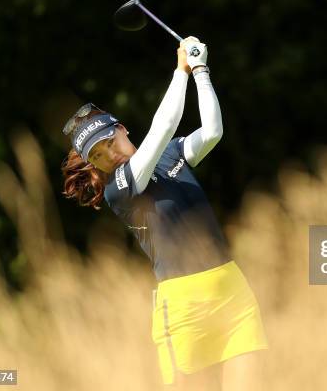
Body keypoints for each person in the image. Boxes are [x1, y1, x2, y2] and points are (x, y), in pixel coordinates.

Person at [60, 37, 268, 390]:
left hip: (232, 289)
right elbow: (163, 128)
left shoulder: (171, 155)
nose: (110, 156)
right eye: (98, 157)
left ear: (122, 129)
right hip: (185, 308)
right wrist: (181, 70)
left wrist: (201, 71)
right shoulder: (120, 188)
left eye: (111, 143)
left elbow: (213, 131)